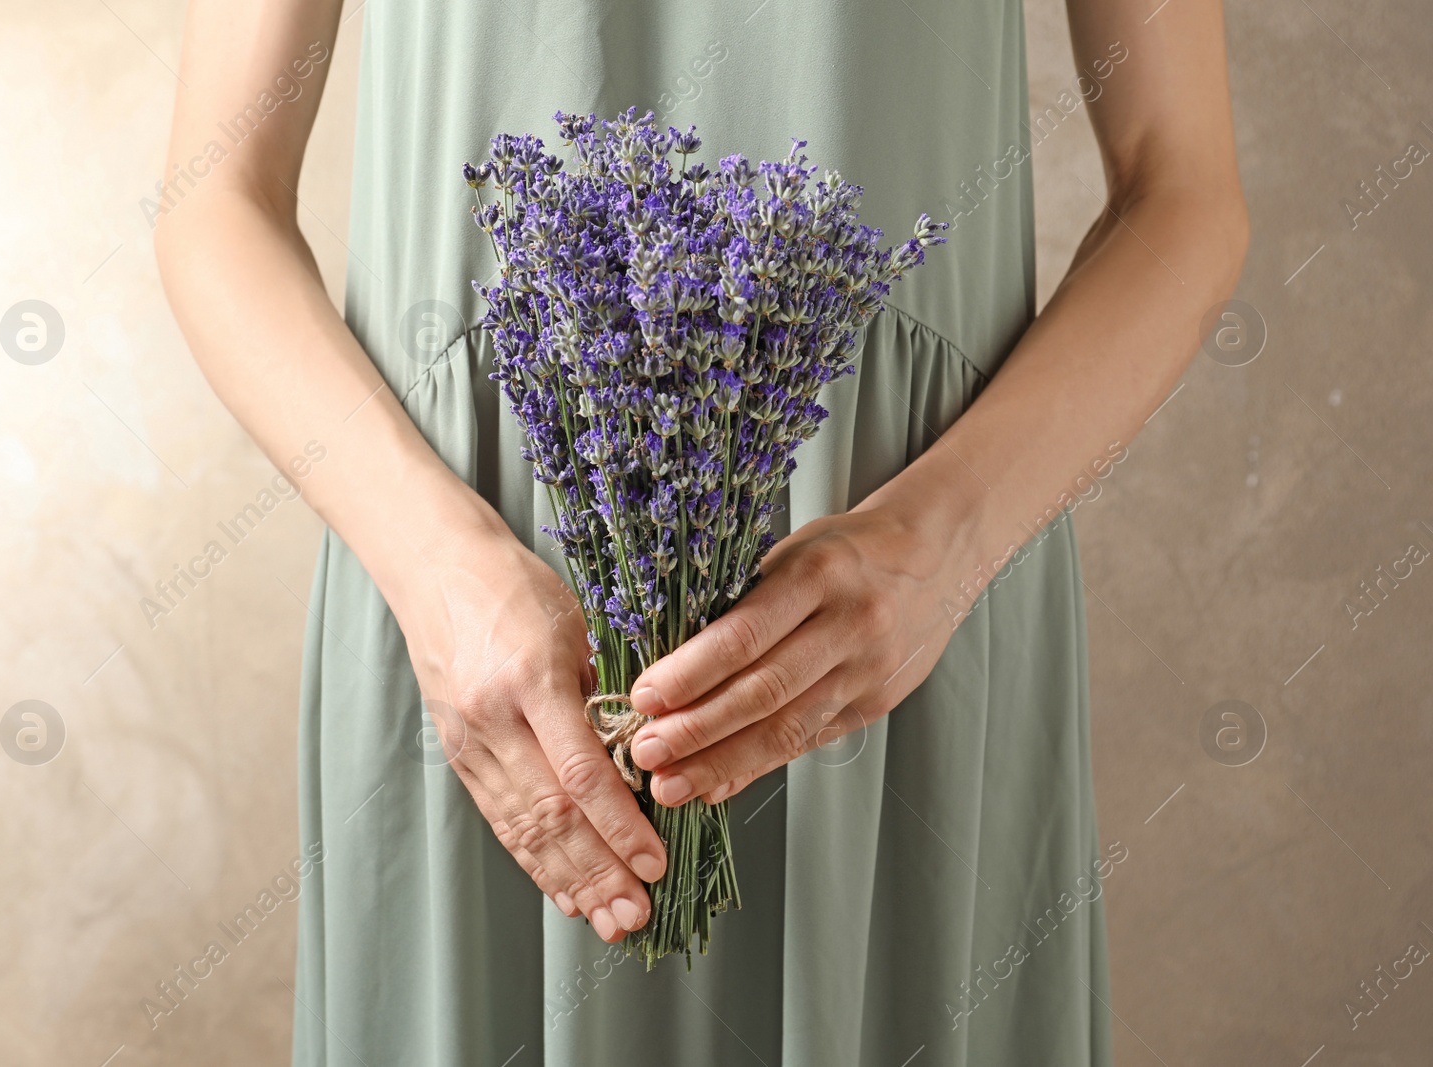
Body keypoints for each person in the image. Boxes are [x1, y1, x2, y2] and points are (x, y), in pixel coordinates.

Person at [156, 0, 1246, 1063]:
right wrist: (436, 569)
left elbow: (1181, 191)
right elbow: (218, 200)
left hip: (904, 601)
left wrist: (938, 543)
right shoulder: (449, 590)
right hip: (463, 610)